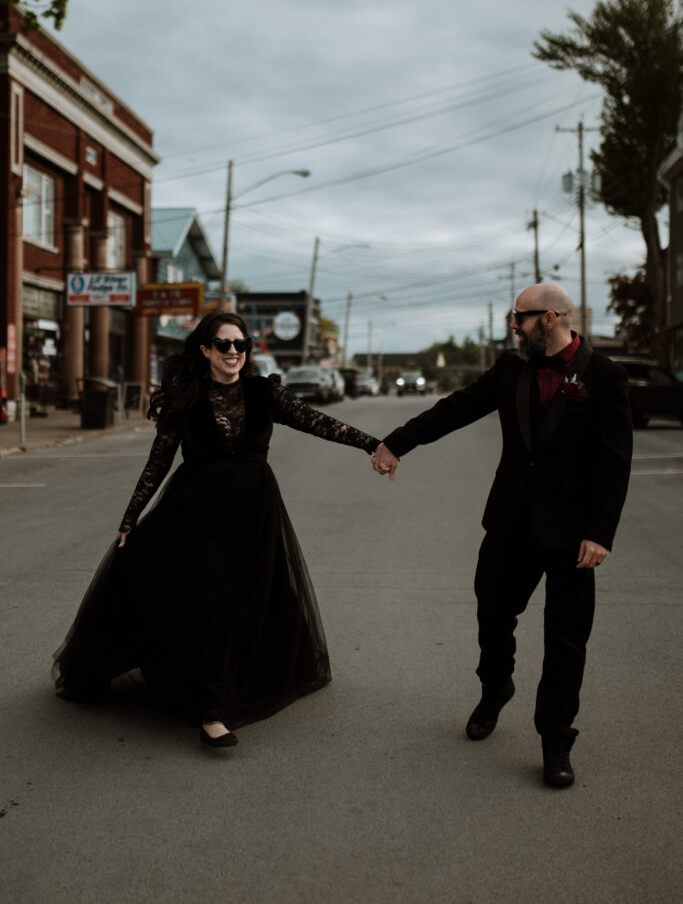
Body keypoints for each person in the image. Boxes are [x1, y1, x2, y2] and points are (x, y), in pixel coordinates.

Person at [53, 312, 379, 749]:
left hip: (253, 513)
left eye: (240, 344)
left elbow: (318, 421)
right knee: (210, 599)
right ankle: (212, 712)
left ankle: (219, 700)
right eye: (223, 344)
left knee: (241, 600)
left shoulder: (264, 392)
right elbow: (158, 461)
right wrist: (130, 519)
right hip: (195, 512)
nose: (233, 352)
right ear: (205, 349)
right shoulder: (186, 399)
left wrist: (374, 444)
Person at [371, 283, 632, 788]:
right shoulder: (512, 369)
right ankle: (496, 688)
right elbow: (455, 408)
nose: (514, 326)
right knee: (492, 614)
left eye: (521, 317)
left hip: (573, 534)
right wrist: (396, 443)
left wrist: (601, 533)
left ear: (550, 318)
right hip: (511, 521)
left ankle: (556, 740)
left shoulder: (605, 376)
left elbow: (615, 461)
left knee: (566, 640)